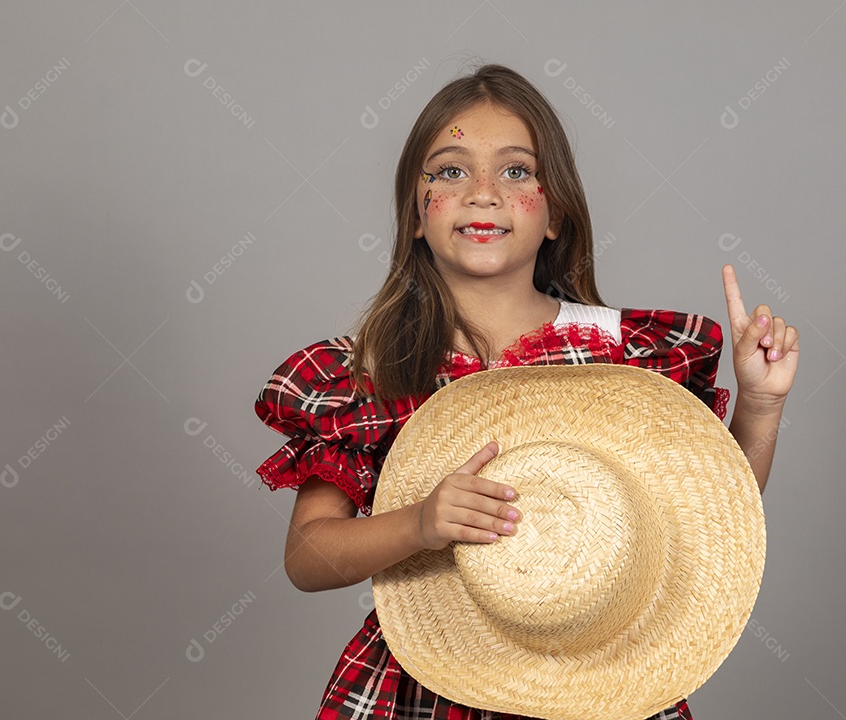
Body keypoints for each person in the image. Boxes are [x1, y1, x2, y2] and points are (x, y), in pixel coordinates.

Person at [253, 63, 799, 720]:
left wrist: (761, 403)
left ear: (555, 216)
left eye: (516, 171)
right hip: (424, 683)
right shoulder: (368, 374)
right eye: (450, 171)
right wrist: (418, 524)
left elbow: (710, 513)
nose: (483, 193)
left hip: (601, 672)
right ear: (415, 217)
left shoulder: (622, 358)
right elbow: (308, 557)